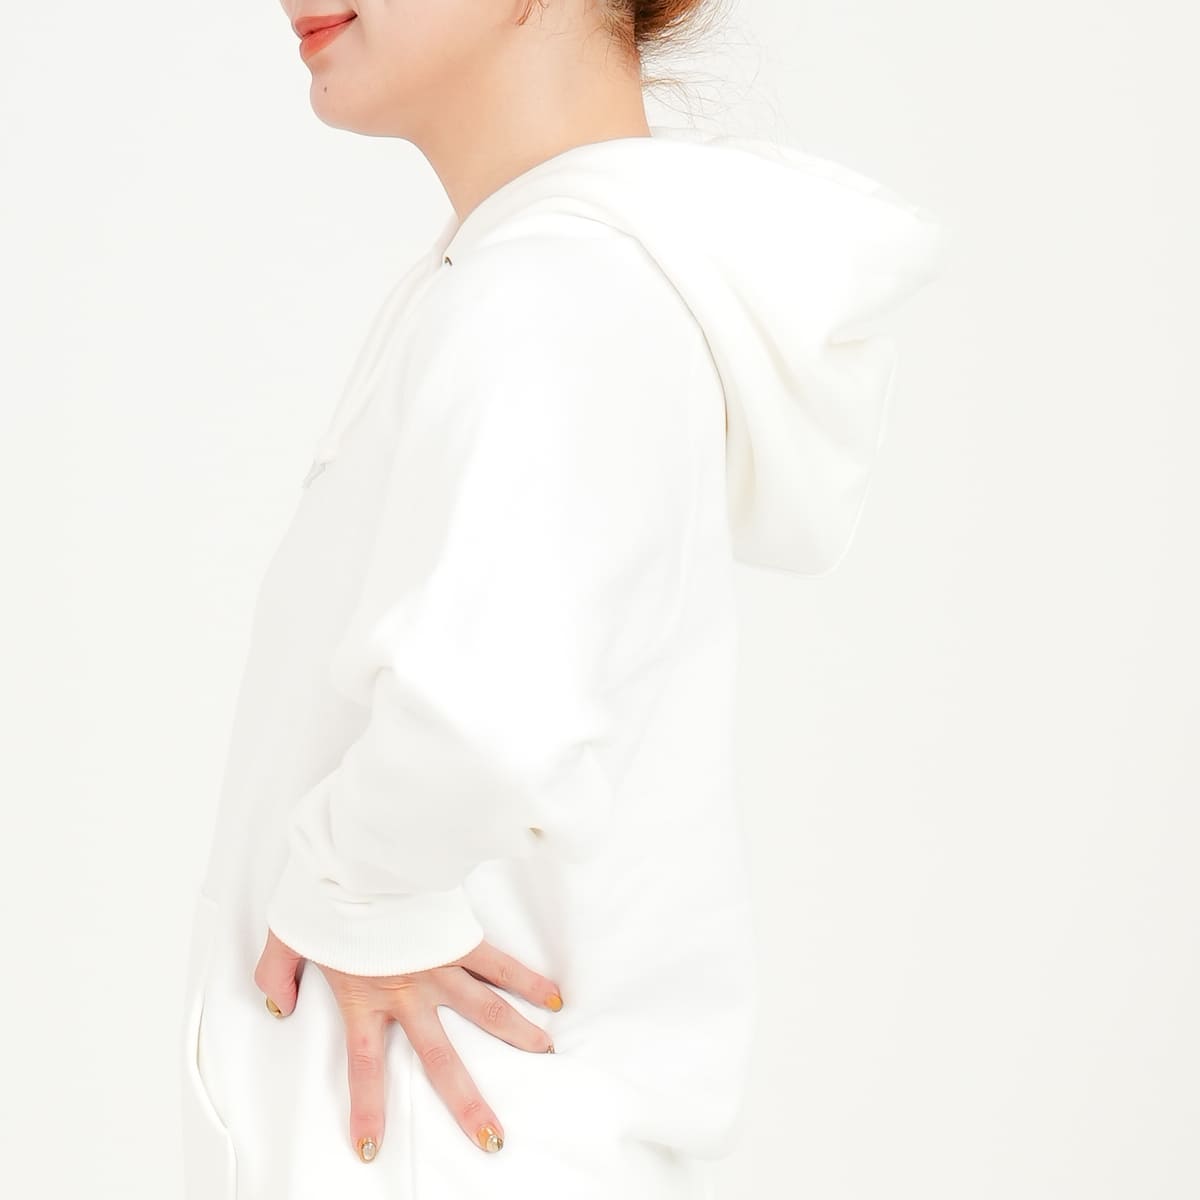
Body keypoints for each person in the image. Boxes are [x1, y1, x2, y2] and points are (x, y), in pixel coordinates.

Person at [178, 1, 949, 1197]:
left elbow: (489, 717)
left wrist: (353, 892)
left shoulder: (557, 292)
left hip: (450, 1147)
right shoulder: (546, 278)